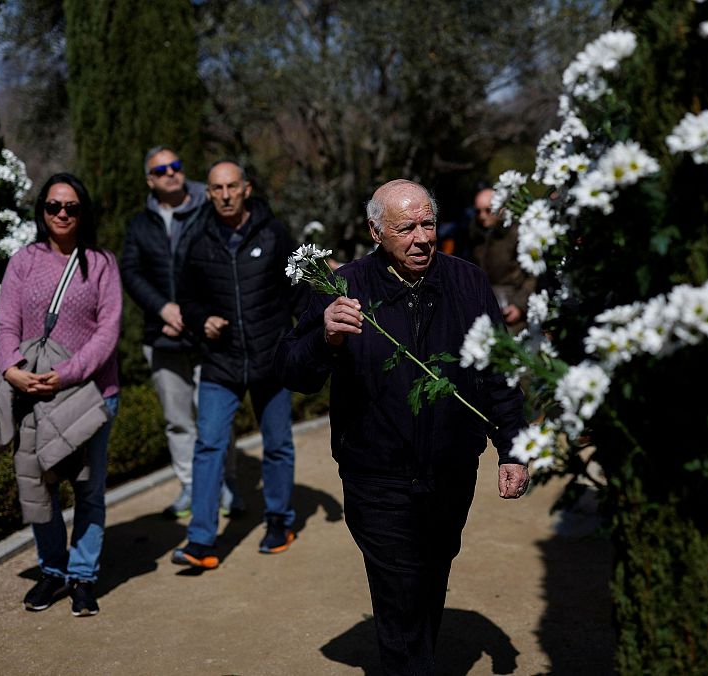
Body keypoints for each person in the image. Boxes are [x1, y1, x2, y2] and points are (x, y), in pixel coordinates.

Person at [277, 179, 529, 674]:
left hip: (451, 469)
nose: (421, 238)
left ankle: (418, 660)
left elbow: (498, 370)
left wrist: (513, 448)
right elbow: (293, 371)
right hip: (377, 474)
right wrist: (324, 336)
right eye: (406, 228)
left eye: (428, 224)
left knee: (432, 575)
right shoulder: (342, 287)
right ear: (376, 231)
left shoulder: (467, 282)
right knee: (398, 588)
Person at [0, 173, 121, 616]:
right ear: (42, 211)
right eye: (53, 207)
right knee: (39, 487)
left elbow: (108, 332)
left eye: (70, 207)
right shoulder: (23, 261)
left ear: (82, 212)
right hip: (33, 394)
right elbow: (7, 321)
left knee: (88, 490)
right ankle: (53, 570)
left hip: (90, 394)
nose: (62, 214)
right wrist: (10, 368)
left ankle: (83, 576)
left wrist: (65, 374)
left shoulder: (101, 263)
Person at [171, 160, 307, 568]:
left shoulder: (274, 231)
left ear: (246, 188)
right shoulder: (196, 238)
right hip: (221, 361)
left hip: (271, 357)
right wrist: (200, 320)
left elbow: (298, 291)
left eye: (232, 186)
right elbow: (187, 297)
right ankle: (201, 541)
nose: (226, 195)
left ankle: (279, 522)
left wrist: (313, 341)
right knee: (209, 445)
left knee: (277, 445)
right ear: (208, 193)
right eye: (217, 188)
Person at [121, 146, 242, 519]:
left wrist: (197, 313)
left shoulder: (210, 210)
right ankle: (190, 487)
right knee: (178, 420)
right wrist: (163, 308)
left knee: (216, 418)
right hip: (162, 335)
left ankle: (224, 485)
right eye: (161, 170)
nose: (170, 173)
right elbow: (131, 273)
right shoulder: (140, 225)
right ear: (150, 180)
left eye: (176, 166)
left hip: (208, 334)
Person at [470, 187, 536, 333]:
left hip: (513, 311)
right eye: (477, 211)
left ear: (500, 209)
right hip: (484, 309)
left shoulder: (517, 234)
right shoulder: (475, 238)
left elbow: (533, 275)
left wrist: (520, 306)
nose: (482, 216)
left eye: (488, 210)